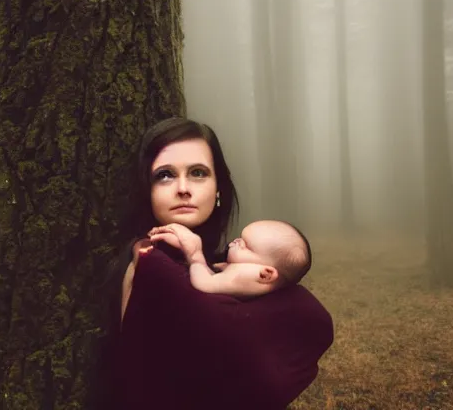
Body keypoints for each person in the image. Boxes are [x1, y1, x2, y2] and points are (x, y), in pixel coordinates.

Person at [111, 117, 333, 410]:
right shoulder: (148, 260)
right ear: (146, 189)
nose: (183, 188)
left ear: (218, 189)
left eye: (198, 173)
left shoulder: (221, 260)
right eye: (164, 175)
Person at [144, 219, 312, 299]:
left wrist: (195, 254)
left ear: (266, 274)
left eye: (246, 245)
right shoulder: (252, 273)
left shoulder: (251, 274)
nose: (236, 241)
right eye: (240, 237)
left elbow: (206, 285)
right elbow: (216, 281)